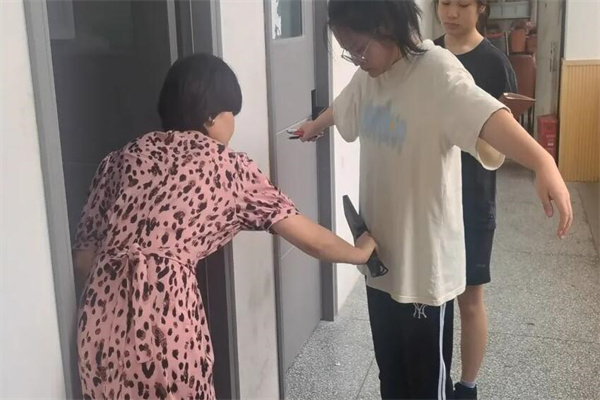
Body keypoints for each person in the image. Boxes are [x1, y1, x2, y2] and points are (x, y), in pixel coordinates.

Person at [295, 1, 572, 399]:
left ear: (387, 25)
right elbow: (343, 107)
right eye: (348, 52)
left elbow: (490, 117)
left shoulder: (436, 71)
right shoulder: (368, 77)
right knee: (390, 376)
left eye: (358, 49)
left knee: (426, 385)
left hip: (424, 270)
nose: (356, 60)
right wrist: (315, 125)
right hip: (378, 259)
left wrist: (542, 161)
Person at [72, 53, 377, 400]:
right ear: (210, 116)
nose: (233, 124)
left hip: (99, 313)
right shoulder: (228, 168)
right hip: (166, 314)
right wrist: (359, 253)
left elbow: (83, 258)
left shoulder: (119, 159)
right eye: (232, 112)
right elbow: (311, 239)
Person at [434, 0, 517, 398]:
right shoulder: (426, 56)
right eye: (444, 3)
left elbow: (506, 140)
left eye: (462, 4)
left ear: (481, 7)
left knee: (469, 300)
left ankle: (467, 387)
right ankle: (433, 382)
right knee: (433, 302)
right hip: (431, 198)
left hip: (474, 200)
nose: (451, 13)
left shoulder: (495, 64)